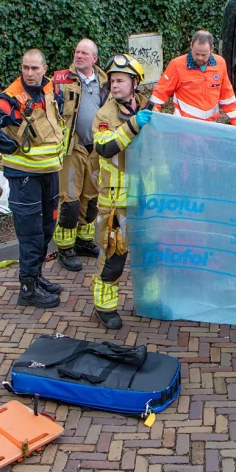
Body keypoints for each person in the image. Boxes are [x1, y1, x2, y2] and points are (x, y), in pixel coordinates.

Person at [0, 48, 65, 308]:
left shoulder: (51, 90)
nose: (29, 73)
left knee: (48, 229)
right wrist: (11, 148)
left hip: (49, 172)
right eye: (25, 67)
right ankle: (27, 288)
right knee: (30, 234)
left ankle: (36, 276)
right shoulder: (13, 98)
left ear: (44, 69)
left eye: (34, 68)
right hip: (25, 177)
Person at [90, 54, 153, 330]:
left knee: (150, 255)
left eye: (120, 81)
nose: (114, 85)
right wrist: (134, 125)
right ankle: (104, 308)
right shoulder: (105, 115)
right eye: (112, 81)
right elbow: (105, 147)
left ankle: (150, 301)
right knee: (113, 257)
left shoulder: (149, 109)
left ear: (134, 83)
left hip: (144, 199)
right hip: (115, 202)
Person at [51, 39, 109, 272]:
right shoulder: (61, 81)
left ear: (94, 58)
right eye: (77, 52)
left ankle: (84, 242)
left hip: (96, 148)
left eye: (84, 53)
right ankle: (65, 248)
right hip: (72, 148)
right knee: (70, 199)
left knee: (91, 198)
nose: (79, 56)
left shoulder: (105, 82)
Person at [149, 30, 236, 125]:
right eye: (196, 54)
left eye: (204, 55)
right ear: (191, 46)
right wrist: (152, 118)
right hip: (184, 126)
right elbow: (159, 94)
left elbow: (227, 95)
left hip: (211, 126)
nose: (200, 58)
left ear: (211, 49)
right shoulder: (177, 65)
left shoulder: (220, 64)